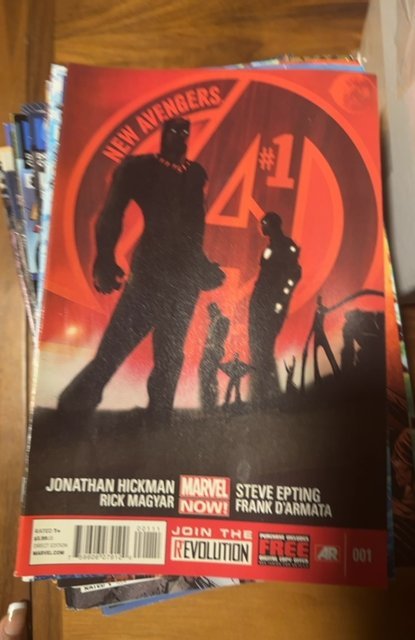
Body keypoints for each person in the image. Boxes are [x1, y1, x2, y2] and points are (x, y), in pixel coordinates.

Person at [58, 117, 225, 424]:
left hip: (185, 276)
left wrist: (204, 268)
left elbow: (191, 232)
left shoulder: (195, 174)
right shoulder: (140, 168)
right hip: (152, 271)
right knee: (117, 345)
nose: (180, 136)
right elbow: (111, 214)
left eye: (184, 131)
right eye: (173, 130)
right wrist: (105, 259)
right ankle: (74, 407)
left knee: (171, 351)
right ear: (163, 134)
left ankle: (159, 416)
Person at [249, 212, 301, 407]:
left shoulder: (286, 246)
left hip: (271, 303)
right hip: (261, 300)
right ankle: (261, 395)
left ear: (271, 224)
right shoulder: (273, 246)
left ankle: (267, 396)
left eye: (264, 223)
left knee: (263, 347)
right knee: (258, 347)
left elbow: (293, 275)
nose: (262, 227)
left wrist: (280, 301)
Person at [199, 302, 230, 412]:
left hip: (215, 351)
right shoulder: (213, 321)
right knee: (207, 376)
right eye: (209, 311)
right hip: (210, 350)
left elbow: (222, 337)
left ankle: (210, 403)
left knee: (209, 376)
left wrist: (214, 346)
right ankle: (209, 403)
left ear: (215, 310)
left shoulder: (223, 320)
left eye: (211, 311)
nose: (209, 314)